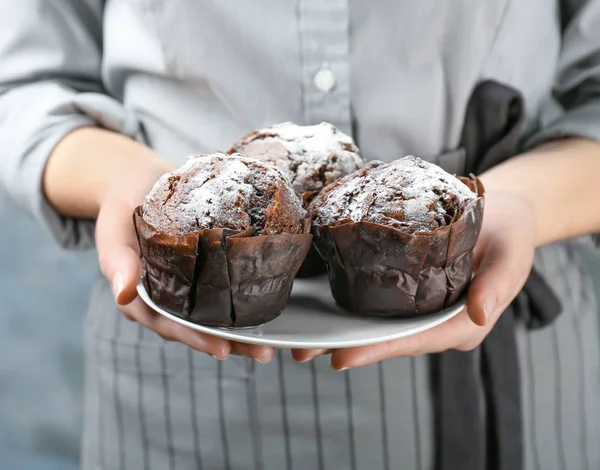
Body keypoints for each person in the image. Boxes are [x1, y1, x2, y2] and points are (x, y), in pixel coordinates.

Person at [1, 1, 600, 469]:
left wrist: (521, 202)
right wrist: (126, 182)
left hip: (535, 377)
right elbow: (22, 86)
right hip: (189, 412)